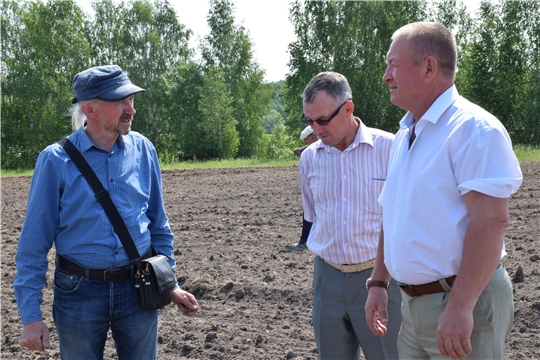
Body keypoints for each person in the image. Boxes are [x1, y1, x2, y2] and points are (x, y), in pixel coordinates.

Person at [14, 65, 199, 359]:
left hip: (138, 288)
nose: (131, 110)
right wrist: (30, 316)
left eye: (132, 100)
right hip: (78, 294)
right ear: (89, 109)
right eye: (120, 102)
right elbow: (33, 245)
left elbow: (158, 226)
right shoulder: (55, 161)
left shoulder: (144, 150)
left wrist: (169, 284)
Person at [365, 22, 523, 360]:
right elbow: (392, 214)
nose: (385, 75)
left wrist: (460, 308)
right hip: (412, 309)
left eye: (393, 64)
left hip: (462, 305)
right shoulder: (407, 132)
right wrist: (378, 281)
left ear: (429, 67)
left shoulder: (473, 130)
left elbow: (491, 222)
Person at [299, 71, 401, 359]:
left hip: (381, 279)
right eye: (309, 121)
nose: (315, 130)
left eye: (322, 120)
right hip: (327, 279)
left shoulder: (390, 149)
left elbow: (402, 220)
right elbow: (313, 215)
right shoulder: (309, 159)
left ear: (348, 109)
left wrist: (381, 279)